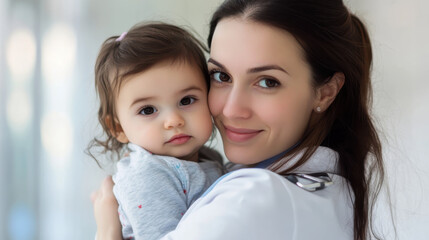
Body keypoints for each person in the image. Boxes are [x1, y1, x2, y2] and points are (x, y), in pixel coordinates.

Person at [91, 0, 387, 239]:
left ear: (325, 92)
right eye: (221, 76)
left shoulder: (254, 198)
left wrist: (107, 230)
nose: (232, 109)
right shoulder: (334, 187)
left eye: (268, 82)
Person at [88, 22, 225, 240]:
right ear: (118, 128)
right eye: (148, 110)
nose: (174, 121)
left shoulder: (208, 158)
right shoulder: (148, 176)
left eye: (186, 100)